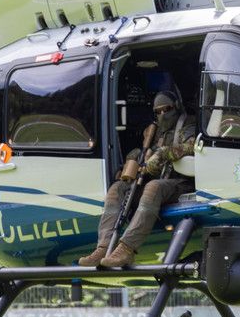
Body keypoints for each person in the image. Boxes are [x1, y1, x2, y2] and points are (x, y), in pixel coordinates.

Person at [78, 91, 196, 268]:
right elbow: (144, 154)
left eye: (167, 109)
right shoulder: (155, 131)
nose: (163, 114)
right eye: (158, 111)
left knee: (153, 187)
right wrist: (136, 158)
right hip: (158, 181)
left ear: (176, 107)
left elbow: (192, 146)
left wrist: (164, 154)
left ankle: (126, 249)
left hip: (181, 183)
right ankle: (104, 247)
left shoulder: (188, 123)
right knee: (117, 189)